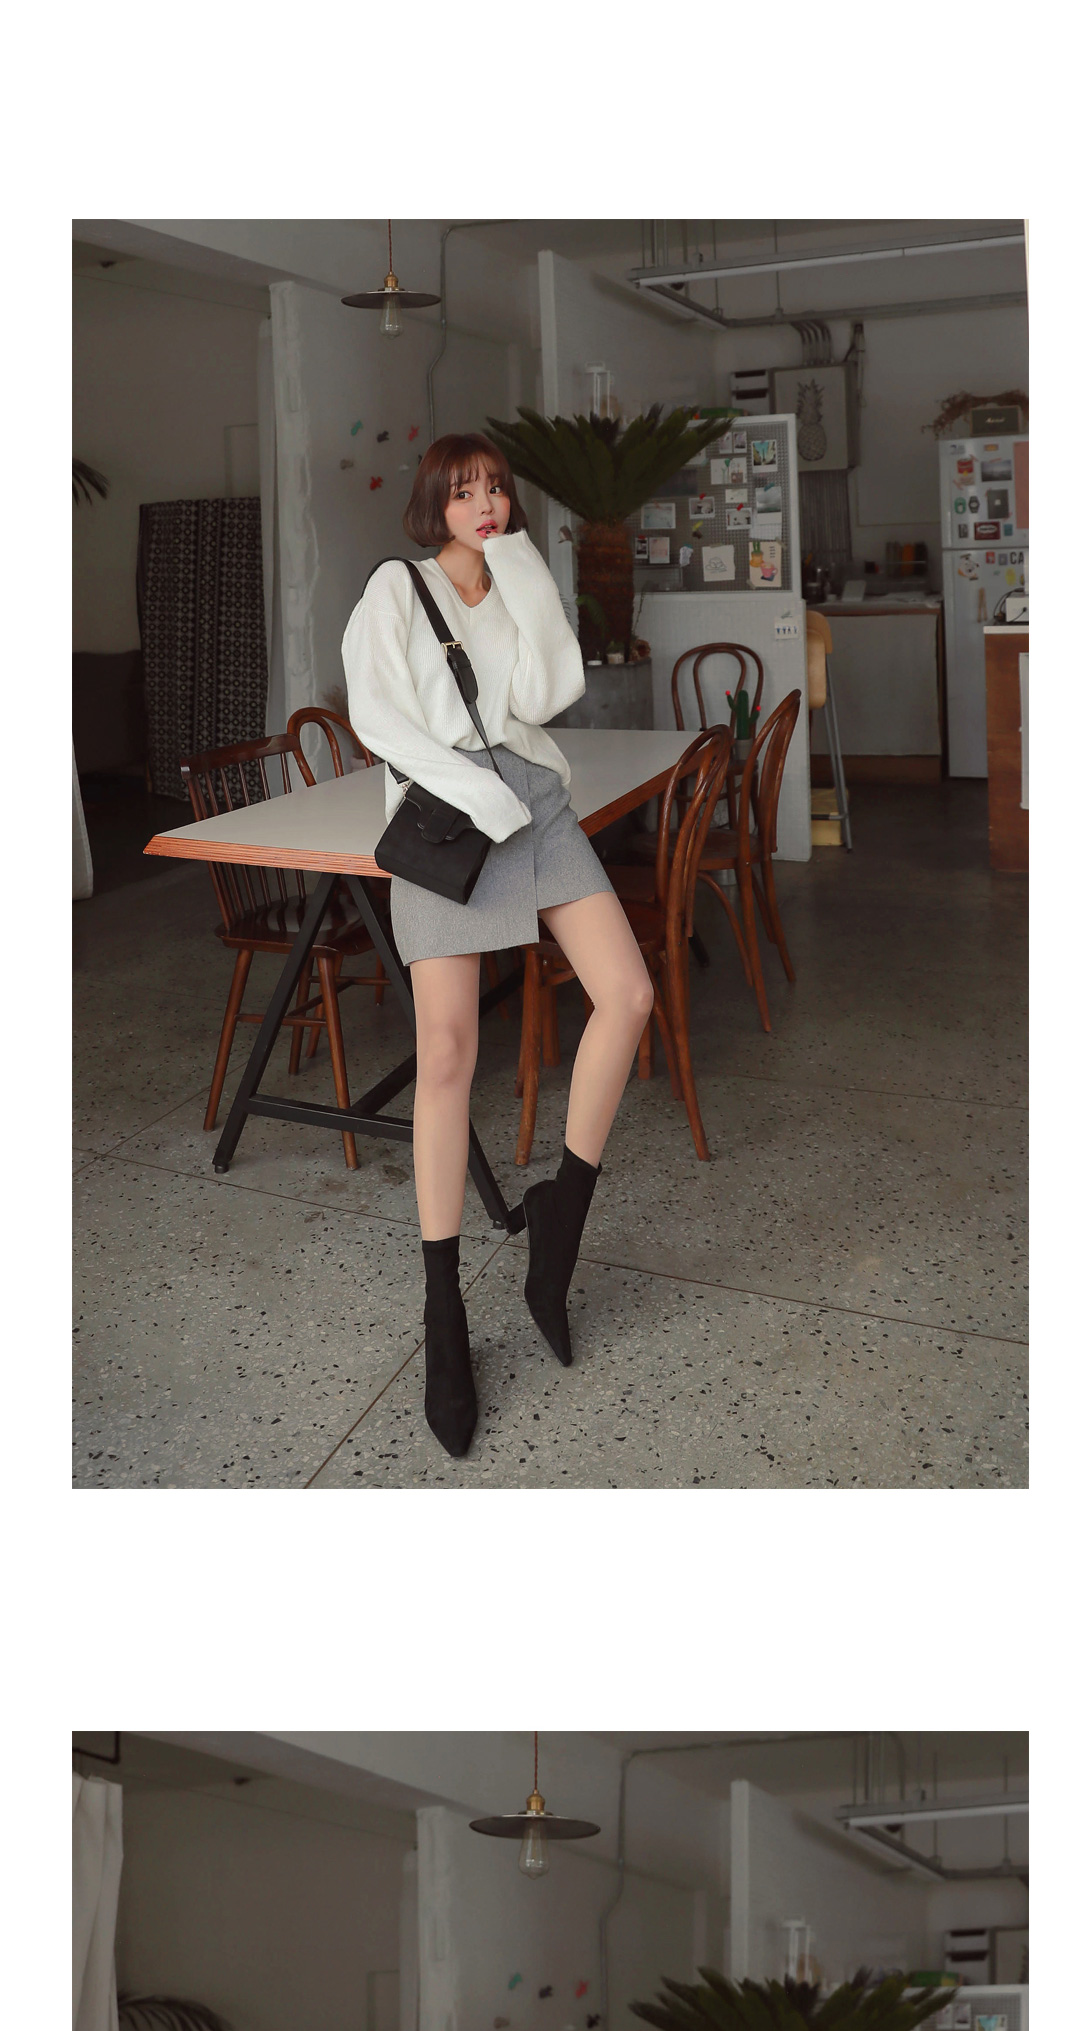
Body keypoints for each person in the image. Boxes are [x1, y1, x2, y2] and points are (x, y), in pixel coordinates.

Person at [342, 434, 651, 1459]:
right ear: (433, 502)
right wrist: (475, 796)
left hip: (535, 799)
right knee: (445, 1053)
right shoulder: (395, 588)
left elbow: (549, 692)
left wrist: (523, 568)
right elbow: (378, 717)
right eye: (462, 490)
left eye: (495, 489)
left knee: (628, 995)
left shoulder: (511, 574)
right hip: (448, 813)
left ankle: (556, 1228)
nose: (482, 503)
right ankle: (445, 1313)